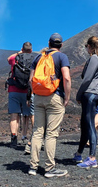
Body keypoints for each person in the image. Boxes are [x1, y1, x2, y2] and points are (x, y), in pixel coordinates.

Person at [28, 33, 71, 178]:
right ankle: (49, 168)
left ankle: (33, 167)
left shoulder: (39, 57)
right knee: (51, 134)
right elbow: (66, 77)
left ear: (49, 43)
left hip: (39, 97)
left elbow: (30, 79)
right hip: (55, 97)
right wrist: (67, 96)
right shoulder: (62, 57)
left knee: (37, 132)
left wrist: (35, 93)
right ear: (61, 45)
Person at [73, 36, 98, 169]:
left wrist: (79, 93)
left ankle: (92, 157)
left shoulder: (94, 58)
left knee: (90, 125)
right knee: (85, 124)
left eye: (87, 46)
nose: (86, 49)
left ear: (91, 47)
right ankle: (78, 153)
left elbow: (87, 79)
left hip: (90, 93)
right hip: (97, 93)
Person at [6, 42, 36, 149]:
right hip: (28, 91)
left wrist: (19, 52)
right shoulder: (34, 59)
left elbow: (9, 58)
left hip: (14, 90)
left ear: (22, 49)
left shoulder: (16, 58)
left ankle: (14, 138)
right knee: (32, 114)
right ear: (31, 50)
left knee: (14, 114)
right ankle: (36, 138)